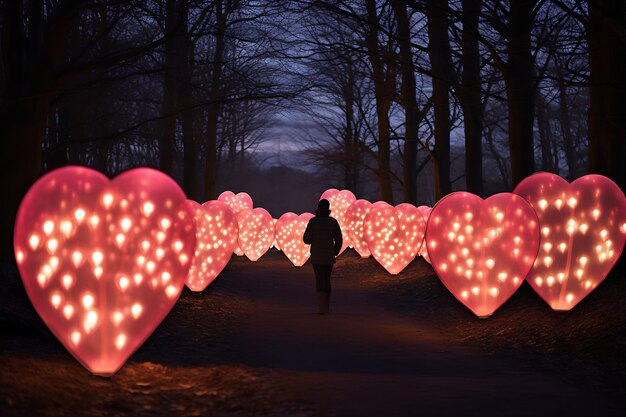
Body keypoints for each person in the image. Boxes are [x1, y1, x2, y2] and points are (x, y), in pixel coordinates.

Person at [303, 199, 343, 315]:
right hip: (329, 256)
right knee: (327, 279)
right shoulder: (333, 222)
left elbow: (306, 239)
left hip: (316, 256)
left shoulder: (313, 222)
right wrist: (335, 251)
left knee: (319, 279)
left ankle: (321, 308)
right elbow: (339, 239)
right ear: (328, 208)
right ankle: (327, 306)